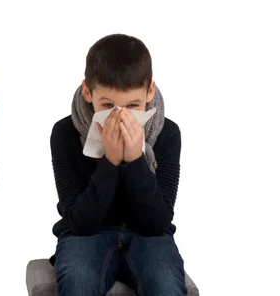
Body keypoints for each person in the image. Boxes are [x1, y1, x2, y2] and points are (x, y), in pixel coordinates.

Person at [49, 34, 187, 295]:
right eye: (108, 105)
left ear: (150, 92)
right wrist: (110, 162)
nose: (121, 116)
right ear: (88, 92)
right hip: (86, 236)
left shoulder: (168, 133)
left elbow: (158, 223)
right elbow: (80, 223)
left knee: (166, 285)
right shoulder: (65, 132)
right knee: (77, 283)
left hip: (149, 236)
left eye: (133, 105)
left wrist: (136, 160)